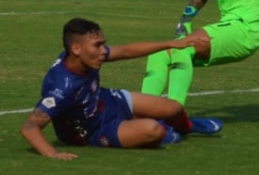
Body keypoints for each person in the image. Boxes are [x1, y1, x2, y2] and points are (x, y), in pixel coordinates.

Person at [19, 18, 215, 159]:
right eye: (97, 45)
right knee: (153, 130)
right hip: (96, 130)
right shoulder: (62, 87)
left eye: (103, 44)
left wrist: (172, 43)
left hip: (107, 101)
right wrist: (53, 154)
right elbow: (29, 127)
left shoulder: (81, 56)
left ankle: (186, 127)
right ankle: (164, 131)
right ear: (76, 49)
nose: (103, 50)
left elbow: (126, 51)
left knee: (174, 108)